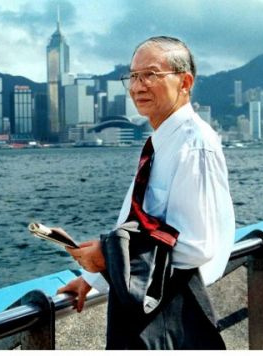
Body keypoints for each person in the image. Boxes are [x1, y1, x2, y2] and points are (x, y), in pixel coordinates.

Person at [56, 36, 235, 349]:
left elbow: (196, 245)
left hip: (169, 310)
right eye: (133, 76)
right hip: (148, 301)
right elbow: (138, 221)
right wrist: (92, 279)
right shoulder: (162, 142)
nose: (138, 86)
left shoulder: (193, 145)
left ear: (185, 82)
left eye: (151, 75)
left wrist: (108, 257)